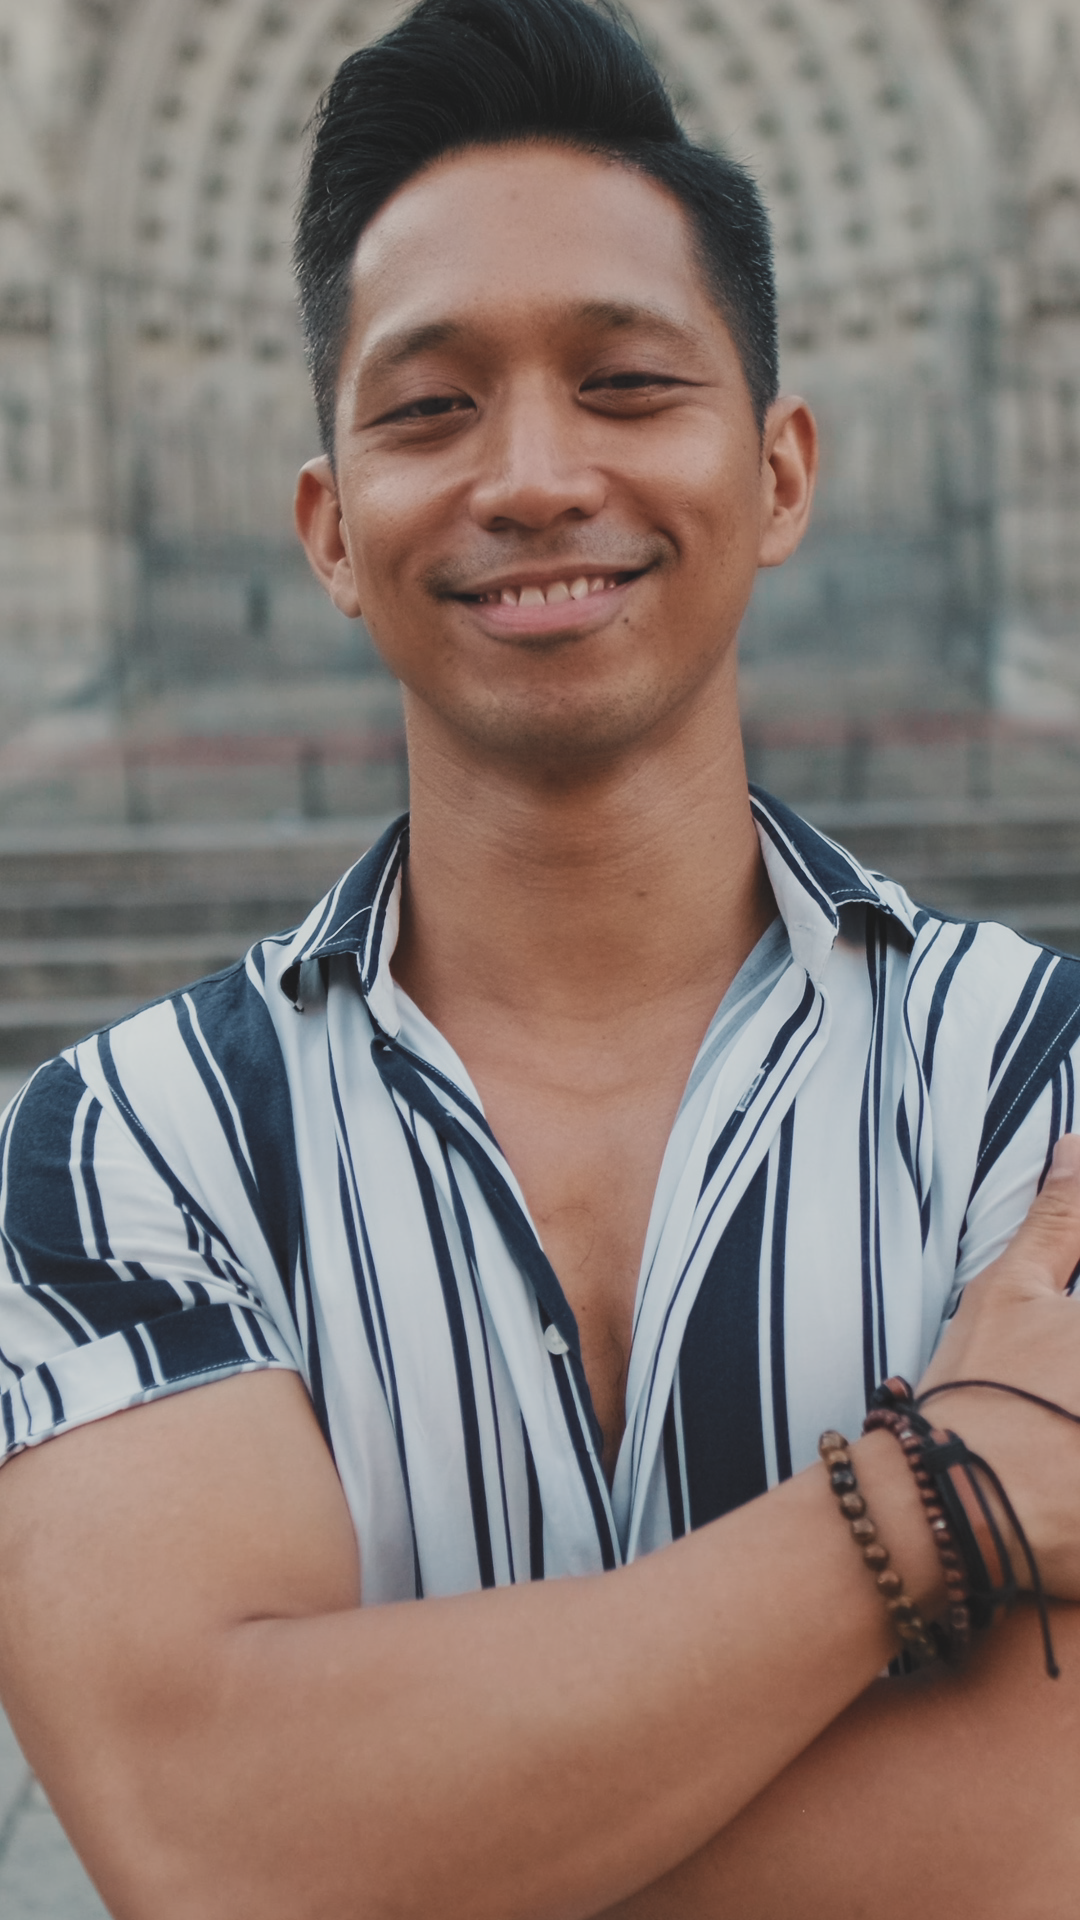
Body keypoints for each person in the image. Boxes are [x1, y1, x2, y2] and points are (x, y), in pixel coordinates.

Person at [1, 1, 1080, 1913]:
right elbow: (209, 1840)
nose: (529, 477)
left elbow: (1050, 1829)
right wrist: (929, 1509)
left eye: (629, 383)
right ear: (331, 529)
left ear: (782, 472)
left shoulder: (1041, 1084)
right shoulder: (119, 1147)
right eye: (428, 408)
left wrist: (387, 1835)